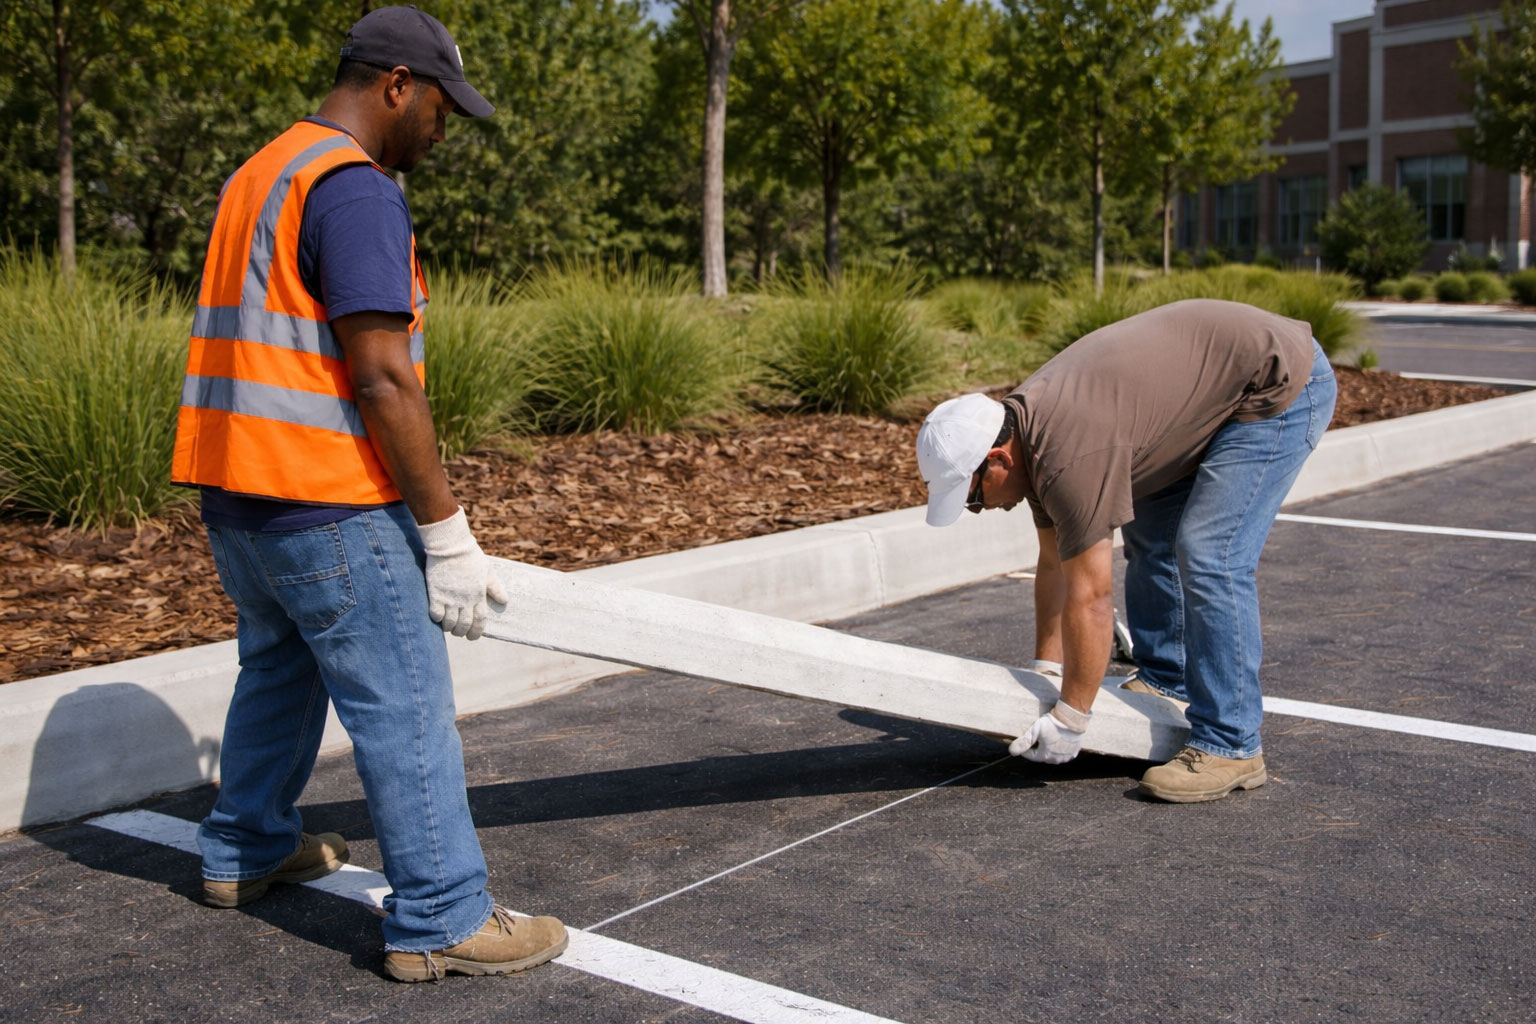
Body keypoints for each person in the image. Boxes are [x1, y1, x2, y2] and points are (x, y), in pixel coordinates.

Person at [170, 6, 567, 982]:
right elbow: (384, 376)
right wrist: (447, 532)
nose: (443, 129)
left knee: (278, 672)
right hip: (330, 504)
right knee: (405, 703)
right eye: (440, 107)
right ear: (396, 85)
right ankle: (441, 915)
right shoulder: (353, 190)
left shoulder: (262, 172)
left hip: (240, 502)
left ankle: (243, 847)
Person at [915, 299, 1337, 803]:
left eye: (974, 498)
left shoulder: (1069, 458)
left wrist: (1071, 720)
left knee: (1210, 554)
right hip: (1216, 383)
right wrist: (1046, 671)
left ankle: (1232, 743)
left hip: (1277, 383)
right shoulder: (1026, 432)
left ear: (999, 459)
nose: (982, 509)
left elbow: (1092, 597)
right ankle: (1166, 678)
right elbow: (1053, 565)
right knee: (1151, 537)